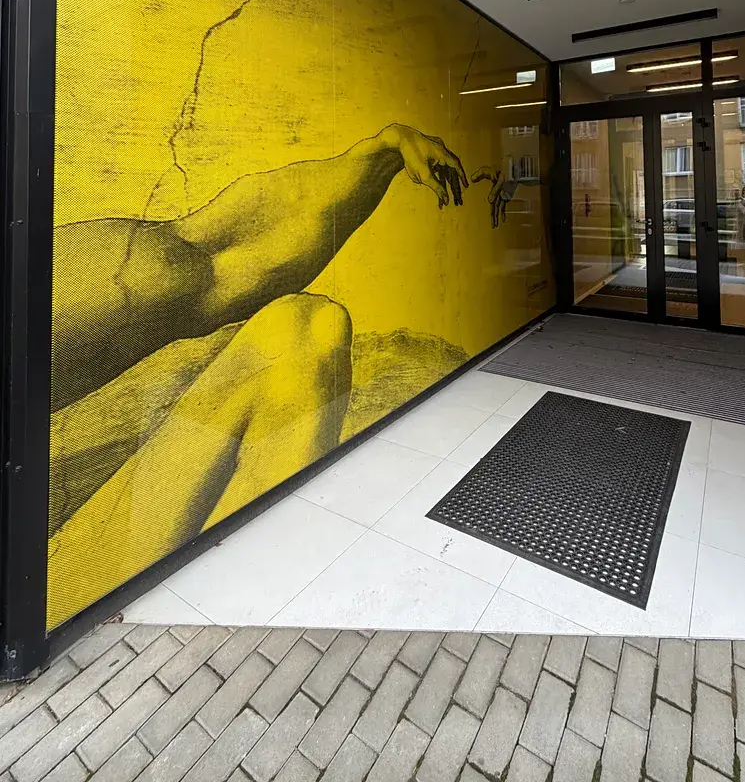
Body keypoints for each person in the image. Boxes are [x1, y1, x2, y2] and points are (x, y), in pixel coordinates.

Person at [48, 123, 510, 625]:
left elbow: (207, 263)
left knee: (302, 331)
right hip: (41, 597)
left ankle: (259, 613)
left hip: (56, 567)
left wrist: (386, 151)